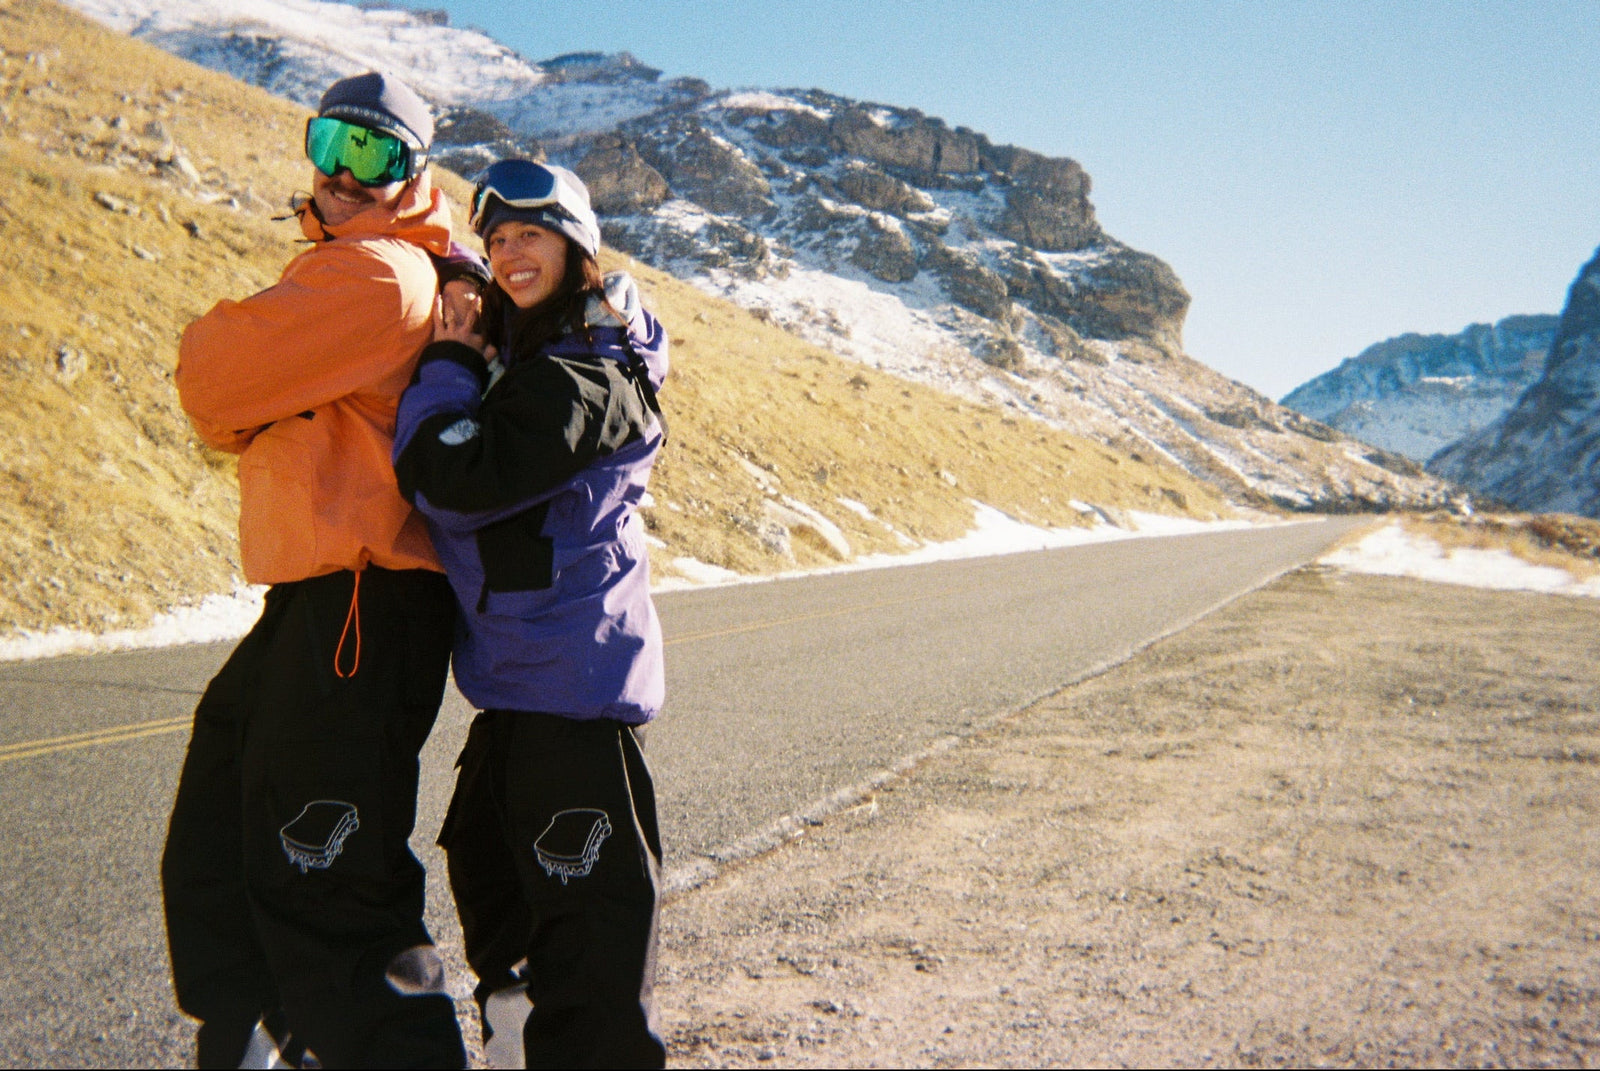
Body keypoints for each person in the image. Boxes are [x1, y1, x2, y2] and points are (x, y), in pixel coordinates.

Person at [163, 71, 468, 1069]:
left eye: (373, 153)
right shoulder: (356, 269)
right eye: (329, 142)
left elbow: (210, 377)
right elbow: (221, 404)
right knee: (221, 822)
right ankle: (250, 1033)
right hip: (316, 599)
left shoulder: (378, 276)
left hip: (363, 603)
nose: (342, 173)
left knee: (327, 870)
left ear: (413, 171)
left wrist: (261, 393)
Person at [392, 159, 669, 1068]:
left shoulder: (589, 374)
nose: (512, 255)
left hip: (572, 706)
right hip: (521, 699)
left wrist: (442, 366)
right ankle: (513, 1040)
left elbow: (454, 481)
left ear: (576, 247)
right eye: (498, 238)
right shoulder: (543, 354)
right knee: (493, 893)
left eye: (533, 237)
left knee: (590, 974)